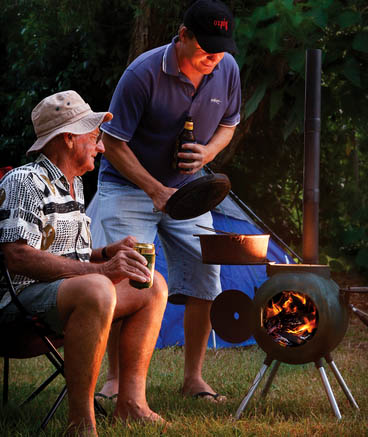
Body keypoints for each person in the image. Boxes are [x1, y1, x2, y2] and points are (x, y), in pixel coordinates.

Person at [96, 0, 241, 402]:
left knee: (205, 276)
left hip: (189, 190)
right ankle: (116, 380)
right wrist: (155, 190)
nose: (213, 56)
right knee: (128, 277)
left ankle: (193, 378)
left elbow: (229, 124)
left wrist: (208, 155)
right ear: (183, 36)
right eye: (205, 47)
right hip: (127, 186)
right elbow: (112, 143)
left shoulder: (226, 68)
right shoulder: (142, 74)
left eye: (221, 47)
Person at [0, 90, 168, 436]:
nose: (102, 147)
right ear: (69, 139)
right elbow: (16, 255)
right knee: (97, 287)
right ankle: (81, 424)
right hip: (17, 307)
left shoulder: (73, 185)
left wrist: (106, 254)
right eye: (94, 138)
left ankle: (131, 403)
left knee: (152, 284)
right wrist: (100, 272)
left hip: (66, 297)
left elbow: (65, 258)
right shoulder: (23, 182)